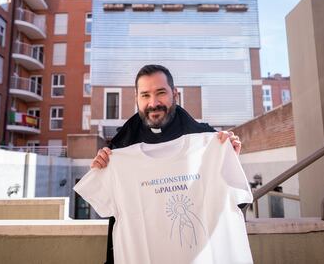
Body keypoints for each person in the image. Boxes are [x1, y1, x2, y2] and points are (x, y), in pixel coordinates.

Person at [90, 64, 241, 264]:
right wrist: (101, 171)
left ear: (175, 94)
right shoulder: (120, 148)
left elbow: (232, 203)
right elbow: (112, 214)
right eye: (145, 95)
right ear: (136, 98)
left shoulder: (207, 140)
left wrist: (229, 162)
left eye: (160, 93)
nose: (153, 103)